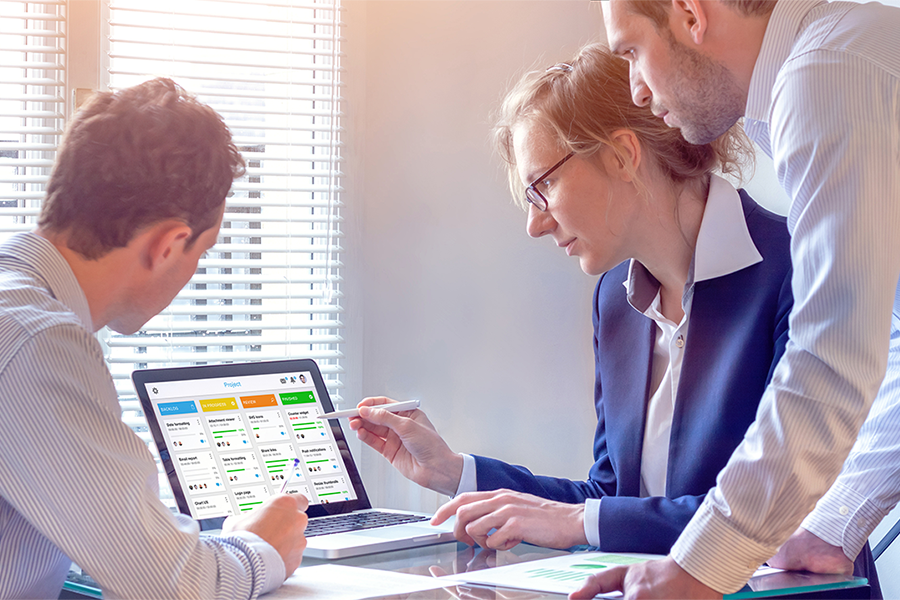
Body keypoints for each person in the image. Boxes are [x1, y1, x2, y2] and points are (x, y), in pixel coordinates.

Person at [348, 41, 835, 576]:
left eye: (543, 186)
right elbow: (609, 497)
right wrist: (453, 471)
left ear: (622, 154)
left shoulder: (800, 270)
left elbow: (783, 517)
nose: (535, 224)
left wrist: (582, 523)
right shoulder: (616, 300)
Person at [570, 0, 900, 598]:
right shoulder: (818, 75)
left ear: (690, 14)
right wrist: (832, 524)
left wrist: (702, 566)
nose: (636, 91)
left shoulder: (826, 72)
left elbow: (832, 355)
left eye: (632, 52)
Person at [0, 78, 308, 599]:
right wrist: (262, 548)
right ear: (169, 245)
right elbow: (175, 587)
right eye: (201, 254)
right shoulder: (38, 344)